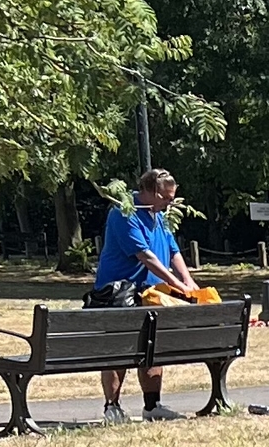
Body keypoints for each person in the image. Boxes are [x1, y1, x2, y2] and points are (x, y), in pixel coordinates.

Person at [89, 168, 209, 421]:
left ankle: (152, 407)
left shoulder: (159, 215)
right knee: (117, 350)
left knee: (153, 349)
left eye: (172, 197)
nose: (171, 202)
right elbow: (145, 256)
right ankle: (112, 407)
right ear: (149, 192)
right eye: (166, 197)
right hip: (118, 293)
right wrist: (177, 282)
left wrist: (189, 282)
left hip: (152, 293)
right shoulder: (125, 212)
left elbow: (173, 251)